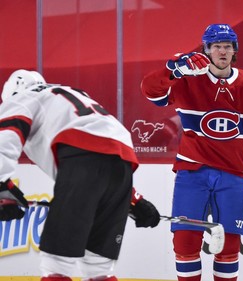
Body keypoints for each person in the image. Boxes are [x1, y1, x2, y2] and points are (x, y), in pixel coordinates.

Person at [140, 23, 243, 281]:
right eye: (216, 46)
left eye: (227, 46)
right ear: (207, 50)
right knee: (184, 244)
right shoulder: (188, 80)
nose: (222, 51)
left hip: (233, 175)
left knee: (228, 250)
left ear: (235, 50)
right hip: (191, 174)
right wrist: (171, 70)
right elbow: (150, 91)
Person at [0, 69, 160, 281]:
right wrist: (133, 199)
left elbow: (5, 139)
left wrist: (2, 186)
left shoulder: (23, 97)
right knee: (98, 266)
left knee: (57, 262)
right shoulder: (69, 95)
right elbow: (101, 156)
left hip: (81, 158)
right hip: (122, 162)